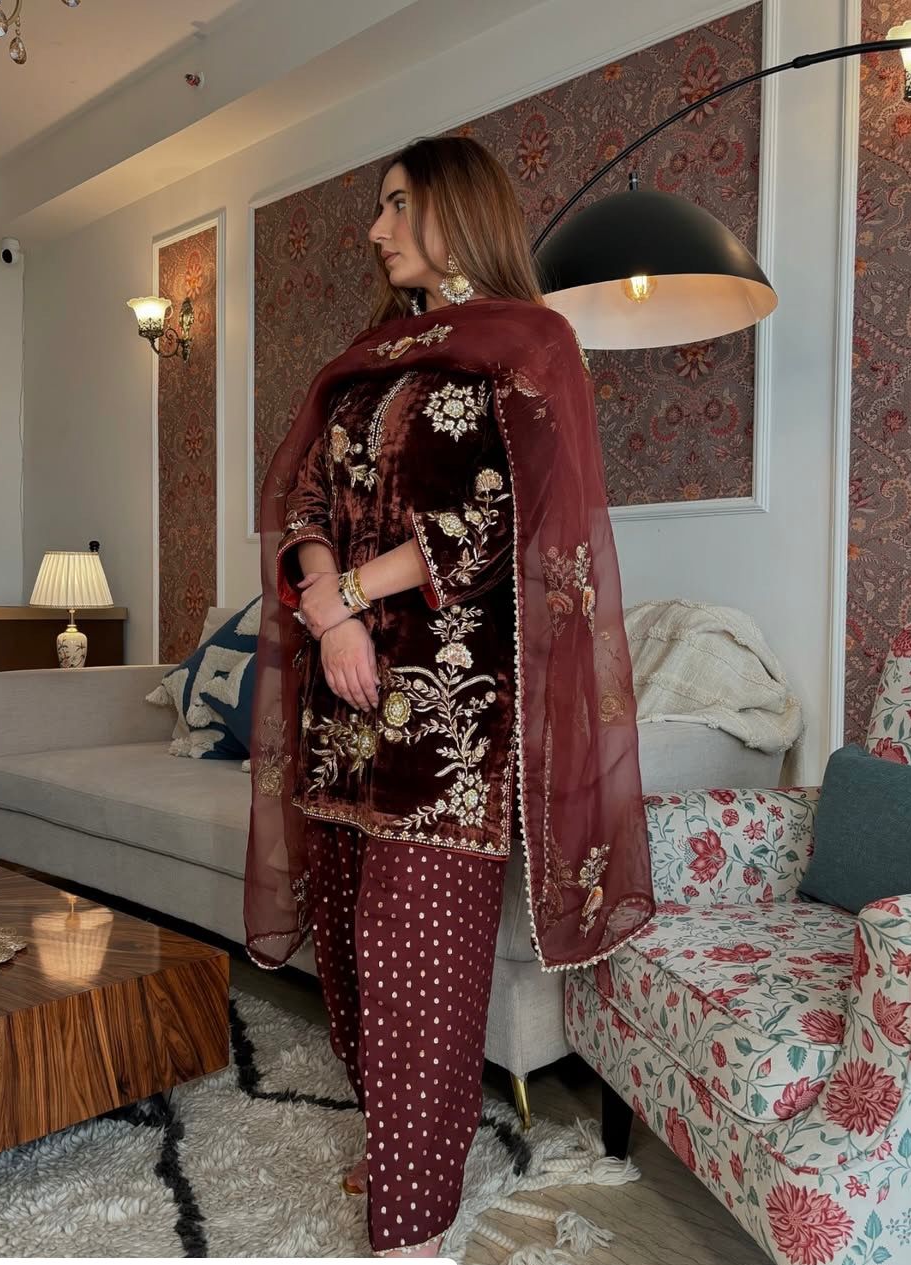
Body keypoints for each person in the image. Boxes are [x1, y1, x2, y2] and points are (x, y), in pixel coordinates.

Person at [243, 135, 653, 1258]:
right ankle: (402, 1139)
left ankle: (414, 1219)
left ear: (456, 210)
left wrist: (346, 600)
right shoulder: (367, 360)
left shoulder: (527, 345)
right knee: (347, 944)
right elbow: (305, 501)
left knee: (415, 958)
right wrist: (327, 605)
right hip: (339, 709)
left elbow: (498, 522)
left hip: (447, 722)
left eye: (395, 205)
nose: (376, 230)